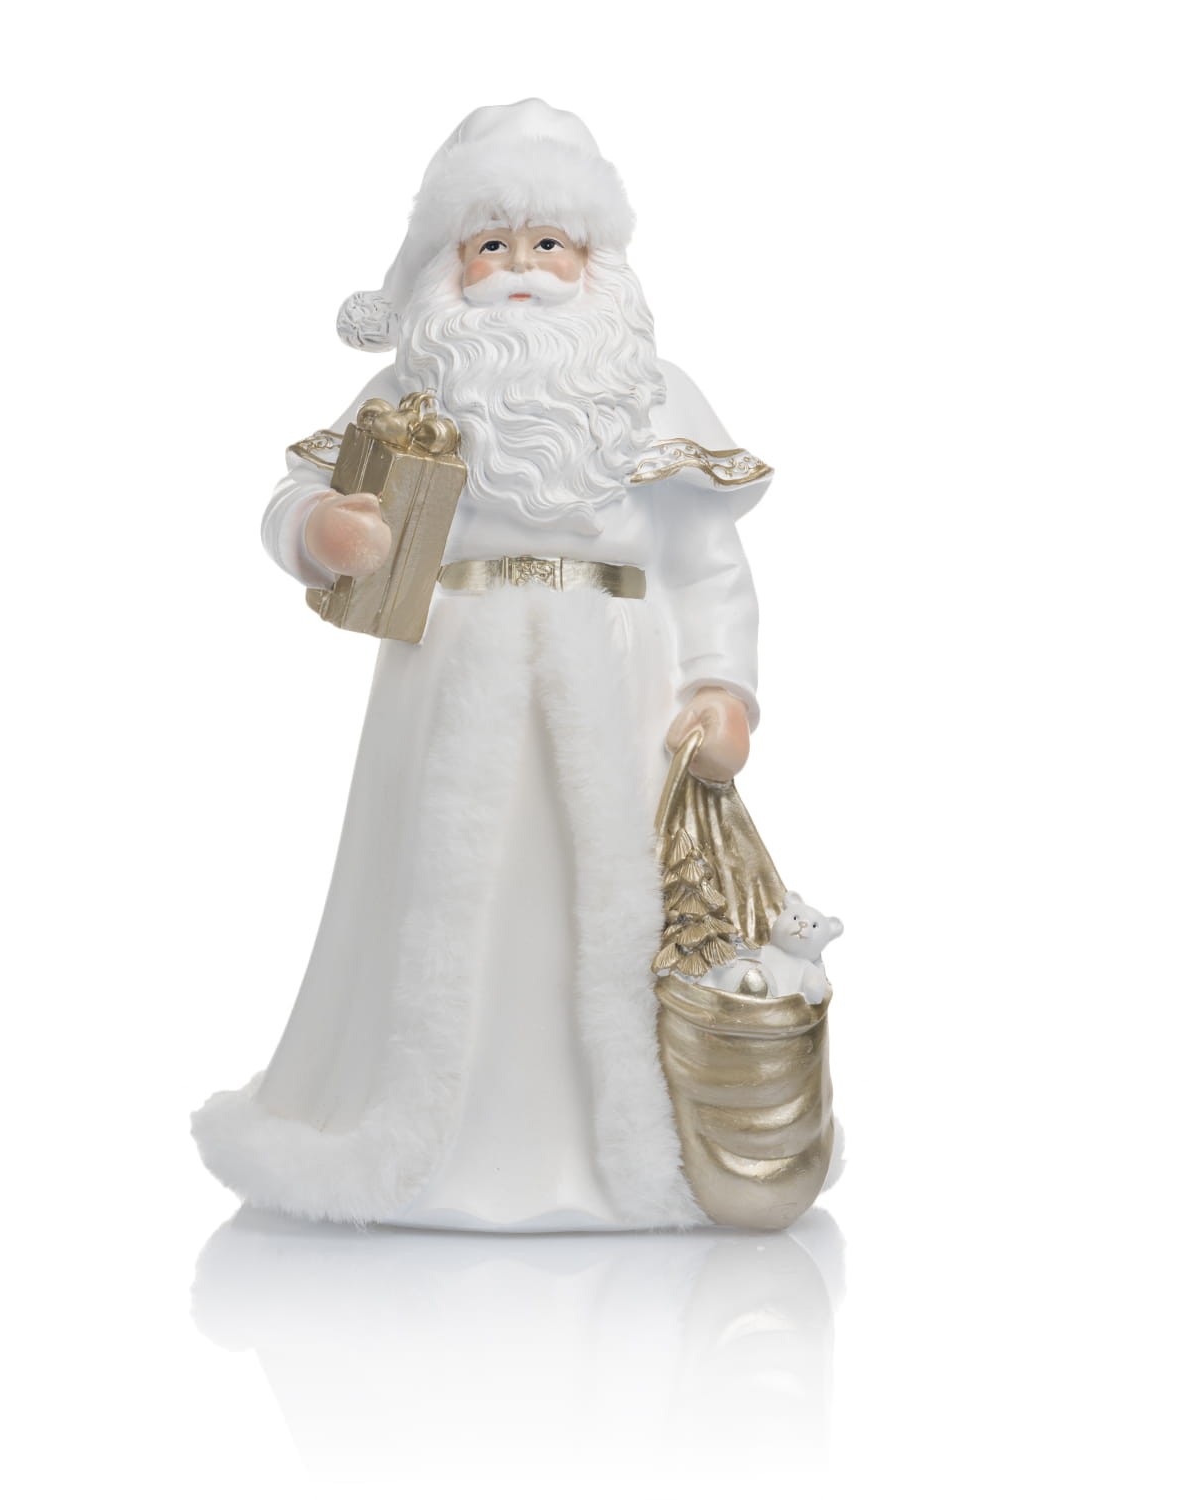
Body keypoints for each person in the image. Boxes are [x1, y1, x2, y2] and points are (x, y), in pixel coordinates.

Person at [193, 99, 773, 1231]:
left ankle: (626, 1150)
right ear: (448, 262)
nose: (520, 270)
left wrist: (721, 684)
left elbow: (708, 563)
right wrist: (322, 532)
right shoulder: (415, 383)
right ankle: (421, 1139)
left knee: (610, 901)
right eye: (491, 244)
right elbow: (297, 496)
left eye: (549, 243)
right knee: (443, 888)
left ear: (596, 260)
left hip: (618, 677)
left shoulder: (653, 392)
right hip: (447, 667)